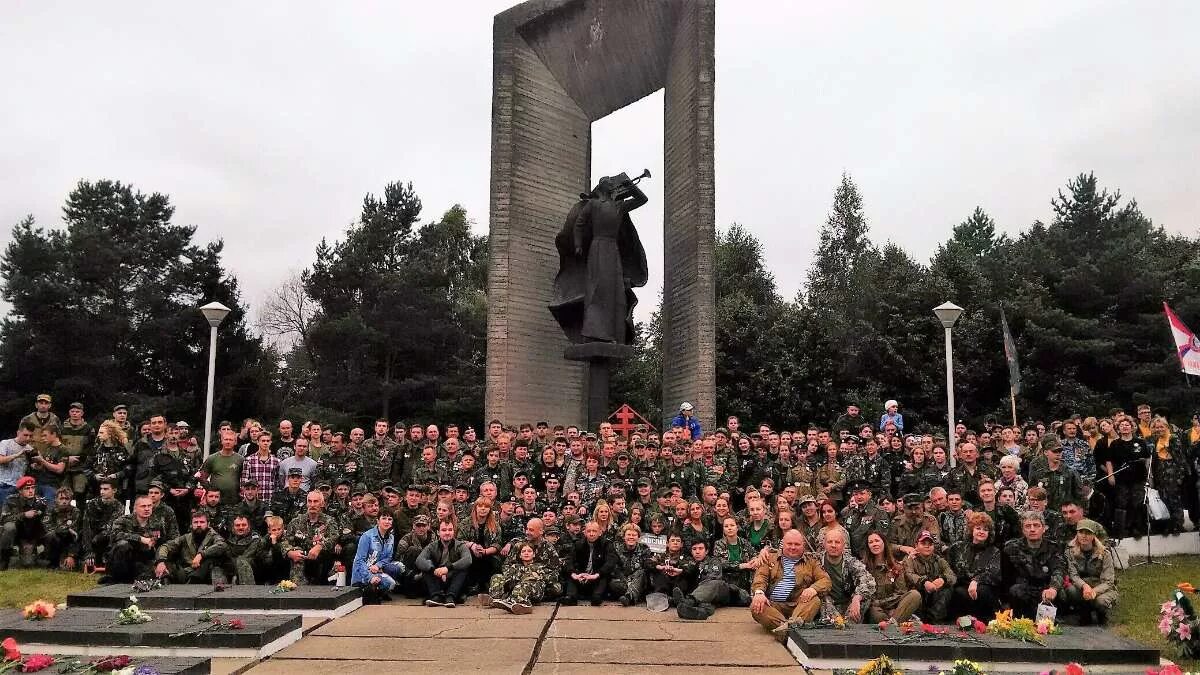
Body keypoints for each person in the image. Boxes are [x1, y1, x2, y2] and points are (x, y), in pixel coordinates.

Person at [750, 530, 830, 643]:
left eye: (797, 544)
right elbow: (761, 577)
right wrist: (759, 593)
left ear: (803, 546)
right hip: (774, 606)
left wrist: (813, 589)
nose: (793, 547)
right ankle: (792, 629)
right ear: (783, 544)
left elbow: (825, 580)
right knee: (756, 606)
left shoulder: (812, 561)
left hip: (800, 605)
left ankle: (785, 630)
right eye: (789, 544)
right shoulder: (769, 558)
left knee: (815, 600)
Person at [1001, 510, 1064, 619]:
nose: (1032, 529)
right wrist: (1005, 604)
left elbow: (1058, 569)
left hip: (1045, 590)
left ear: (1044, 528)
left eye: (1036, 525)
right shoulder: (1010, 548)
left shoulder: (1053, 547)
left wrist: (1053, 588)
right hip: (1022, 591)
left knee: (1063, 593)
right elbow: (1005, 578)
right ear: (1023, 530)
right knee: (1015, 590)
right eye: (1028, 526)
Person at [1062, 519, 1118, 625]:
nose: (1084, 536)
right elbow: (1073, 575)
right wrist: (1084, 586)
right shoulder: (1069, 552)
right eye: (1081, 532)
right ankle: (1084, 612)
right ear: (1077, 534)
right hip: (1082, 588)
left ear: (1094, 536)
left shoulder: (1105, 554)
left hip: (1102, 588)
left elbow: (1109, 581)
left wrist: (1094, 591)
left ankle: (1101, 614)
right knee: (1070, 590)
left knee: (1101, 602)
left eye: (1088, 533)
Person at [947, 512, 1001, 619]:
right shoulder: (957, 548)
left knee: (982, 591)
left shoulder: (995, 552)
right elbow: (948, 568)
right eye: (978, 528)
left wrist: (976, 580)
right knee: (957, 592)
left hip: (984, 590)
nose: (981, 532)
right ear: (972, 530)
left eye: (985, 530)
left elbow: (994, 574)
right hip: (961, 587)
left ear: (989, 533)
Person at [106, 495, 170, 582]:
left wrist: (160, 562)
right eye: (143, 506)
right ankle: (116, 580)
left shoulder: (157, 524)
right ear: (135, 508)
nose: (147, 509)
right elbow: (115, 535)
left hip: (143, 560)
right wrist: (140, 539)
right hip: (123, 559)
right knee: (123, 545)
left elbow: (161, 544)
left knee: (150, 580)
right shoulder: (123, 521)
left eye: (149, 506)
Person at [154, 511, 230, 584]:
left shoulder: (214, 536)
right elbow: (165, 546)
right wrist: (161, 561)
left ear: (208, 524)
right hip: (187, 572)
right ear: (191, 524)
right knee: (165, 565)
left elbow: (222, 545)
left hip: (205, 573)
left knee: (214, 564)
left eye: (202, 522)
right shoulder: (186, 538)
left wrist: (201, 554)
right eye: (196, 522)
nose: (199, 525)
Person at [818, 527, 876, 623]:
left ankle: (851, 626)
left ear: (844, 545)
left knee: (864, 597)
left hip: (848, 603)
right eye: (830, 542)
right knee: (820, 599)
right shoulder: (817, 561)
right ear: (824, 544)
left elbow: (868, 581)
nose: (833, 545)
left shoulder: (851, 561)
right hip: (827, 604)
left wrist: (857, 598)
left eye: (837, 542)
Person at [861, 531, 921, 623]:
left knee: (914, 595)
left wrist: (890, 609)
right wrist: (878, 605)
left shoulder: (896, 567)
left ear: (884, 543)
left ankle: (893, 622)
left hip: (894, 607)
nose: (874, 544)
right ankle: (896, 622)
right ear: (868, 546)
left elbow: (900, 593)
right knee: (876, 614)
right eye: (871, 542)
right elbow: (864, 594)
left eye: (877, 541)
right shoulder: (862, 567)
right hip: (875, 608)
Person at [285, 491, 339, 585]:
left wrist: (320, 546)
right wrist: (289, 552)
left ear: (322, 503)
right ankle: (298, 591)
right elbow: (285, 540)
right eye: (309, 501)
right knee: (297, 555)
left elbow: (334, 538)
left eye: (315, 501)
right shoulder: (296, 521)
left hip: (322, 559)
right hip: (301, 558)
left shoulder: (329, 521)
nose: (312, 505)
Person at [417, 519, 473, 607]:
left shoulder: (460, 545)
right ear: (438, 532)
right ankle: (436, 596)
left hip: (454, 580)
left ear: (454, 531)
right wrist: (434, 570)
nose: (447, 533)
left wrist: (448, 568)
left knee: (463, 569)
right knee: (426, 567)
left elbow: (468, 559)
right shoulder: (432, 546)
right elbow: (419, 560)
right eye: (444, 530)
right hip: (437, 579)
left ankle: (451, 596)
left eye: (450, 530)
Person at [352, 508, 404, 603]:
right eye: (384, 518)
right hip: (362, 573)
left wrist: (378, 565)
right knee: (386, 584)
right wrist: (370, 577)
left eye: (389, 519)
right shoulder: (367, 536)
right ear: (378, 521)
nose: (387, 521)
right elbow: (359, 561)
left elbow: (388, 557)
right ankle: (368, 590)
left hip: (377, 569)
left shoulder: (391, 537)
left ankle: (379, 592)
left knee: (396, 573)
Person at [902, 530, 955, 622]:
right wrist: (923, 582)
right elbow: (909, 574)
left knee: (948, 589)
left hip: (934, 594)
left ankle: (934, 619)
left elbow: (952, 575)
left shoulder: (939, 560)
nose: (927, 546)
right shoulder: (909, 559)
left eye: (930, 543)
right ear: (916, 545)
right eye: (923, 543)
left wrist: (943, 579)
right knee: (914, 593)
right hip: (918, 593)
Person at [486, 542, 549, 614]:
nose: (526, 553)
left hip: (534, 591)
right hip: (516, 590)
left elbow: (539, 581)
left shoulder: (539, 567)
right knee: (497, 577)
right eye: (523, 551)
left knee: (523, 584)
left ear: (534, 554)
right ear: (520, 555)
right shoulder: (515, 567)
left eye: (529, 551)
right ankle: (495, 598)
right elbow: (508, 578)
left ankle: (524, 605)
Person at [0, 476, 47, 569]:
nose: (31, 491)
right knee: (9, 527)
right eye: (27, 488)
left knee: (28, 564)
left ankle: (44, 555)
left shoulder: (40, 502)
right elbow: (4, 518)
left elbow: (47, 521)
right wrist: (24, 515)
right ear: (20, 491)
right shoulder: (11, 500)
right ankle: (3, 559)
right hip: (17, 533)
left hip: (32, 535)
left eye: (33, 488)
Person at [564, 521, 614, 605]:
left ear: (600, 533)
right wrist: (575, 574)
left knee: (604, 577)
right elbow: (569, 561)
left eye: (594, 531)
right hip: (581, 577)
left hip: (596, 576)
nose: (591, 534)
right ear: (584, 532)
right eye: (589, 531)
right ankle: (571, 598)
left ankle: (597, 597)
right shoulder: (578, 544)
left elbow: (611, 562)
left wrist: (596, 575)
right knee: (570, 576)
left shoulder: (606, 544)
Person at [0, 422, 35, 506]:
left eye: (30, 436)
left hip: (20, 486)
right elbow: (1, 460)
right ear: (18, 433)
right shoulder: (5, 443)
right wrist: (17, 454)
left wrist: (37, 464)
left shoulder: (30, 449)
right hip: (4, 484)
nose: (28, 438)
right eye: (25, 435)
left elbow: (32, 467)